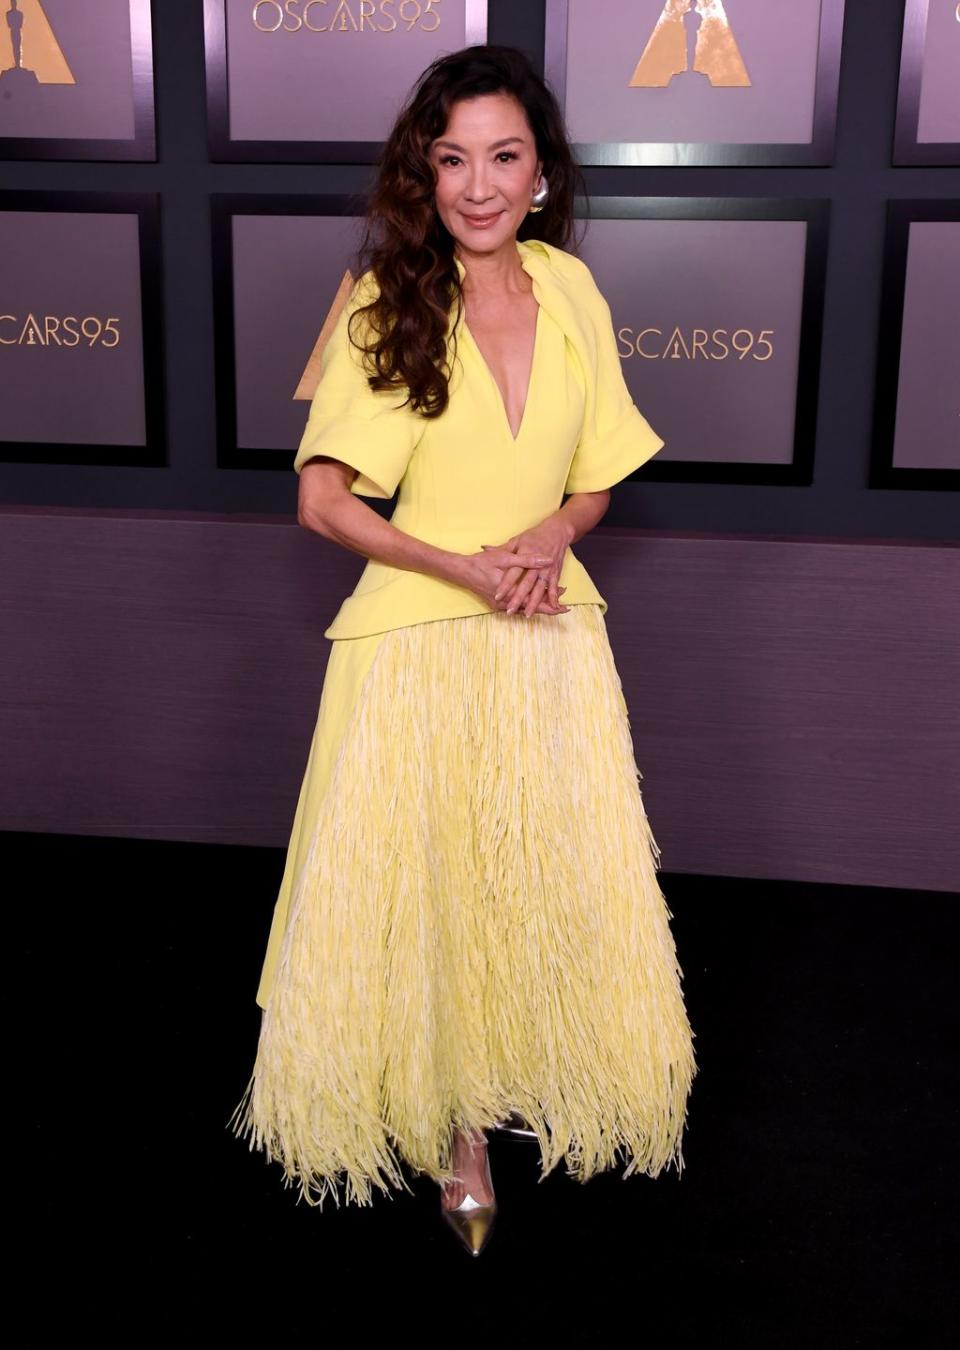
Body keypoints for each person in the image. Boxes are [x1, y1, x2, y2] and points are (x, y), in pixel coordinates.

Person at [229, 43, 697, 1258]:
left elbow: (594, 479)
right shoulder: (387, 300)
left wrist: (551, 526)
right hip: (417, 641)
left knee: (527, 880)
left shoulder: (574, 292)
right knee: (426, 886)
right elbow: (324, 502)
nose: (478, 185)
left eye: (504, 157)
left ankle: (514, 1082)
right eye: (452, 159)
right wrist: (465, 567)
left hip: (548, 635)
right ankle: (454, 1131)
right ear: (422, 174)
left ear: (541, 173)